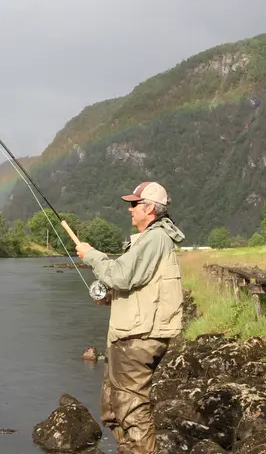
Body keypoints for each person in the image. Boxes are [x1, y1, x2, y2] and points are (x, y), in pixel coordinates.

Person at [75, 181, 185, 454]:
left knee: (132, 410)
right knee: (113, 409)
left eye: (134, 204)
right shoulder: (152, 239)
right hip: (130, 335)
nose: (129, 209)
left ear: (150, 208)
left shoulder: (155, 238)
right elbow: (141, 285)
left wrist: (91, 255)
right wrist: (112, 297)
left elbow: (122, 275)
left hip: (138, 339)